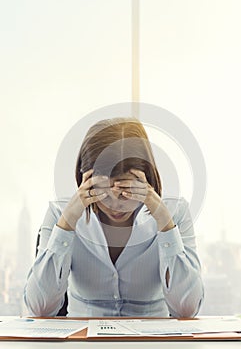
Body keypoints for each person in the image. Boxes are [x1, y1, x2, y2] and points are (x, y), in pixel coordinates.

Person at [24, 117, 204, 317]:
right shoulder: (60, 213)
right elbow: (38, 309)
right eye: (102, 191)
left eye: (127, 190)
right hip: (83, 341)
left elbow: (187, 309)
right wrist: (68, 221)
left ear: (147, 177)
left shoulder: (175, 212)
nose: (115, 204)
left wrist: (162, 219)